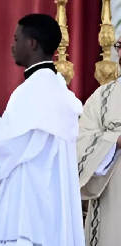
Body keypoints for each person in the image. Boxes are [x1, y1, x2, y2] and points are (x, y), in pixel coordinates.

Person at [0, 13, 84, 245]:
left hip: (28, 202)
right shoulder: (60, 90)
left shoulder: (33, 92)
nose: (12, 46)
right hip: (54, 205)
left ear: (32, 43)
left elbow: (9, 144)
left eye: (16, 39)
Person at [77, 36, 121, 246]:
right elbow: (81, 139)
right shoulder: (101, 98)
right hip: (112, 200)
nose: (120, 53)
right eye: (120, 47)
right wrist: (115, 141)